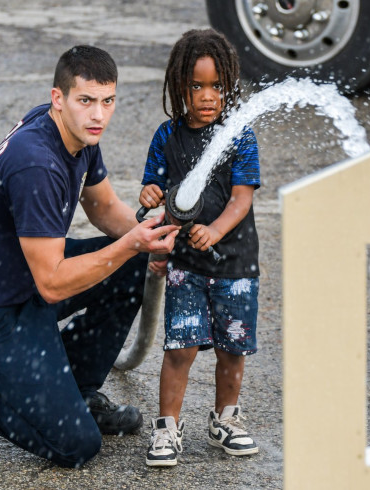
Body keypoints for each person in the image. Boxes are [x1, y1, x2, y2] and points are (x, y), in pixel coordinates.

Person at [0, 45, 179, 468]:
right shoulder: (37, 163)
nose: (98, 115)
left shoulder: (78, 133)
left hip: (22, 282)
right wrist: (133, 243)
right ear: (59, 99)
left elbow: (104, 208)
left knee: (132, 261)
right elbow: (53, 283)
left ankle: (79, 391)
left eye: (107, 101)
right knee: (76, 446)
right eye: (86, 101)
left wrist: (153, 234)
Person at [138, 29, 261, 467]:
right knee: (180, 349)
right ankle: (168, 428)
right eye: (196, 86)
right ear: (179, 87)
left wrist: (217, 231)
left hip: (236, 265)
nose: (207, 97)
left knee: (232, 349)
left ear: (228, 86)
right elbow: (153, 187)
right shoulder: (167, 137)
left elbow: (241, 199)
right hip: (185, 265)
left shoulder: (239, 136)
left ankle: (226, 418)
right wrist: (151, 194)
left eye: (216, 86)